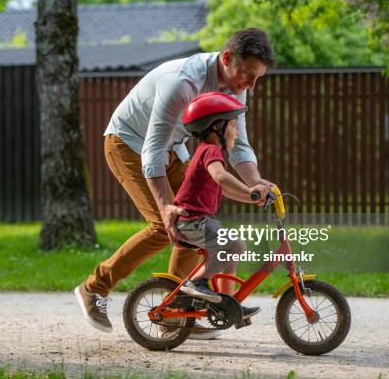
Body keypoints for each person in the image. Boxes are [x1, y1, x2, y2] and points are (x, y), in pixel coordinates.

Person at [75, 28, 275, 337]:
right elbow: (152, 149)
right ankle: (94, 287)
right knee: (164, 224)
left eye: (257, 77)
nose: (250, 83)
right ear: (226, 58)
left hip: (173, 148)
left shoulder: (238, 84)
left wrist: (256, 182)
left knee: (196, 219)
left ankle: (178, 309)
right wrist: (167, 205)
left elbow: (239, 145)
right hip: (129, 142)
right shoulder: (184, 81)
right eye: (248, 73)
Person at [175, 92, 269, 313]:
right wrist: (249, 189)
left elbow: (224, 189)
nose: (236, 132)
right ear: (217, 127)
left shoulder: (209, 151)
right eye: (234, 125)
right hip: (192, 220)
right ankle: (197, 282)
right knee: (234, 245)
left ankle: (228, 303)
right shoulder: (210, 151)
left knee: (233, 246)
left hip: (199, 220)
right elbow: (221, 177)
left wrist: (251, 197)